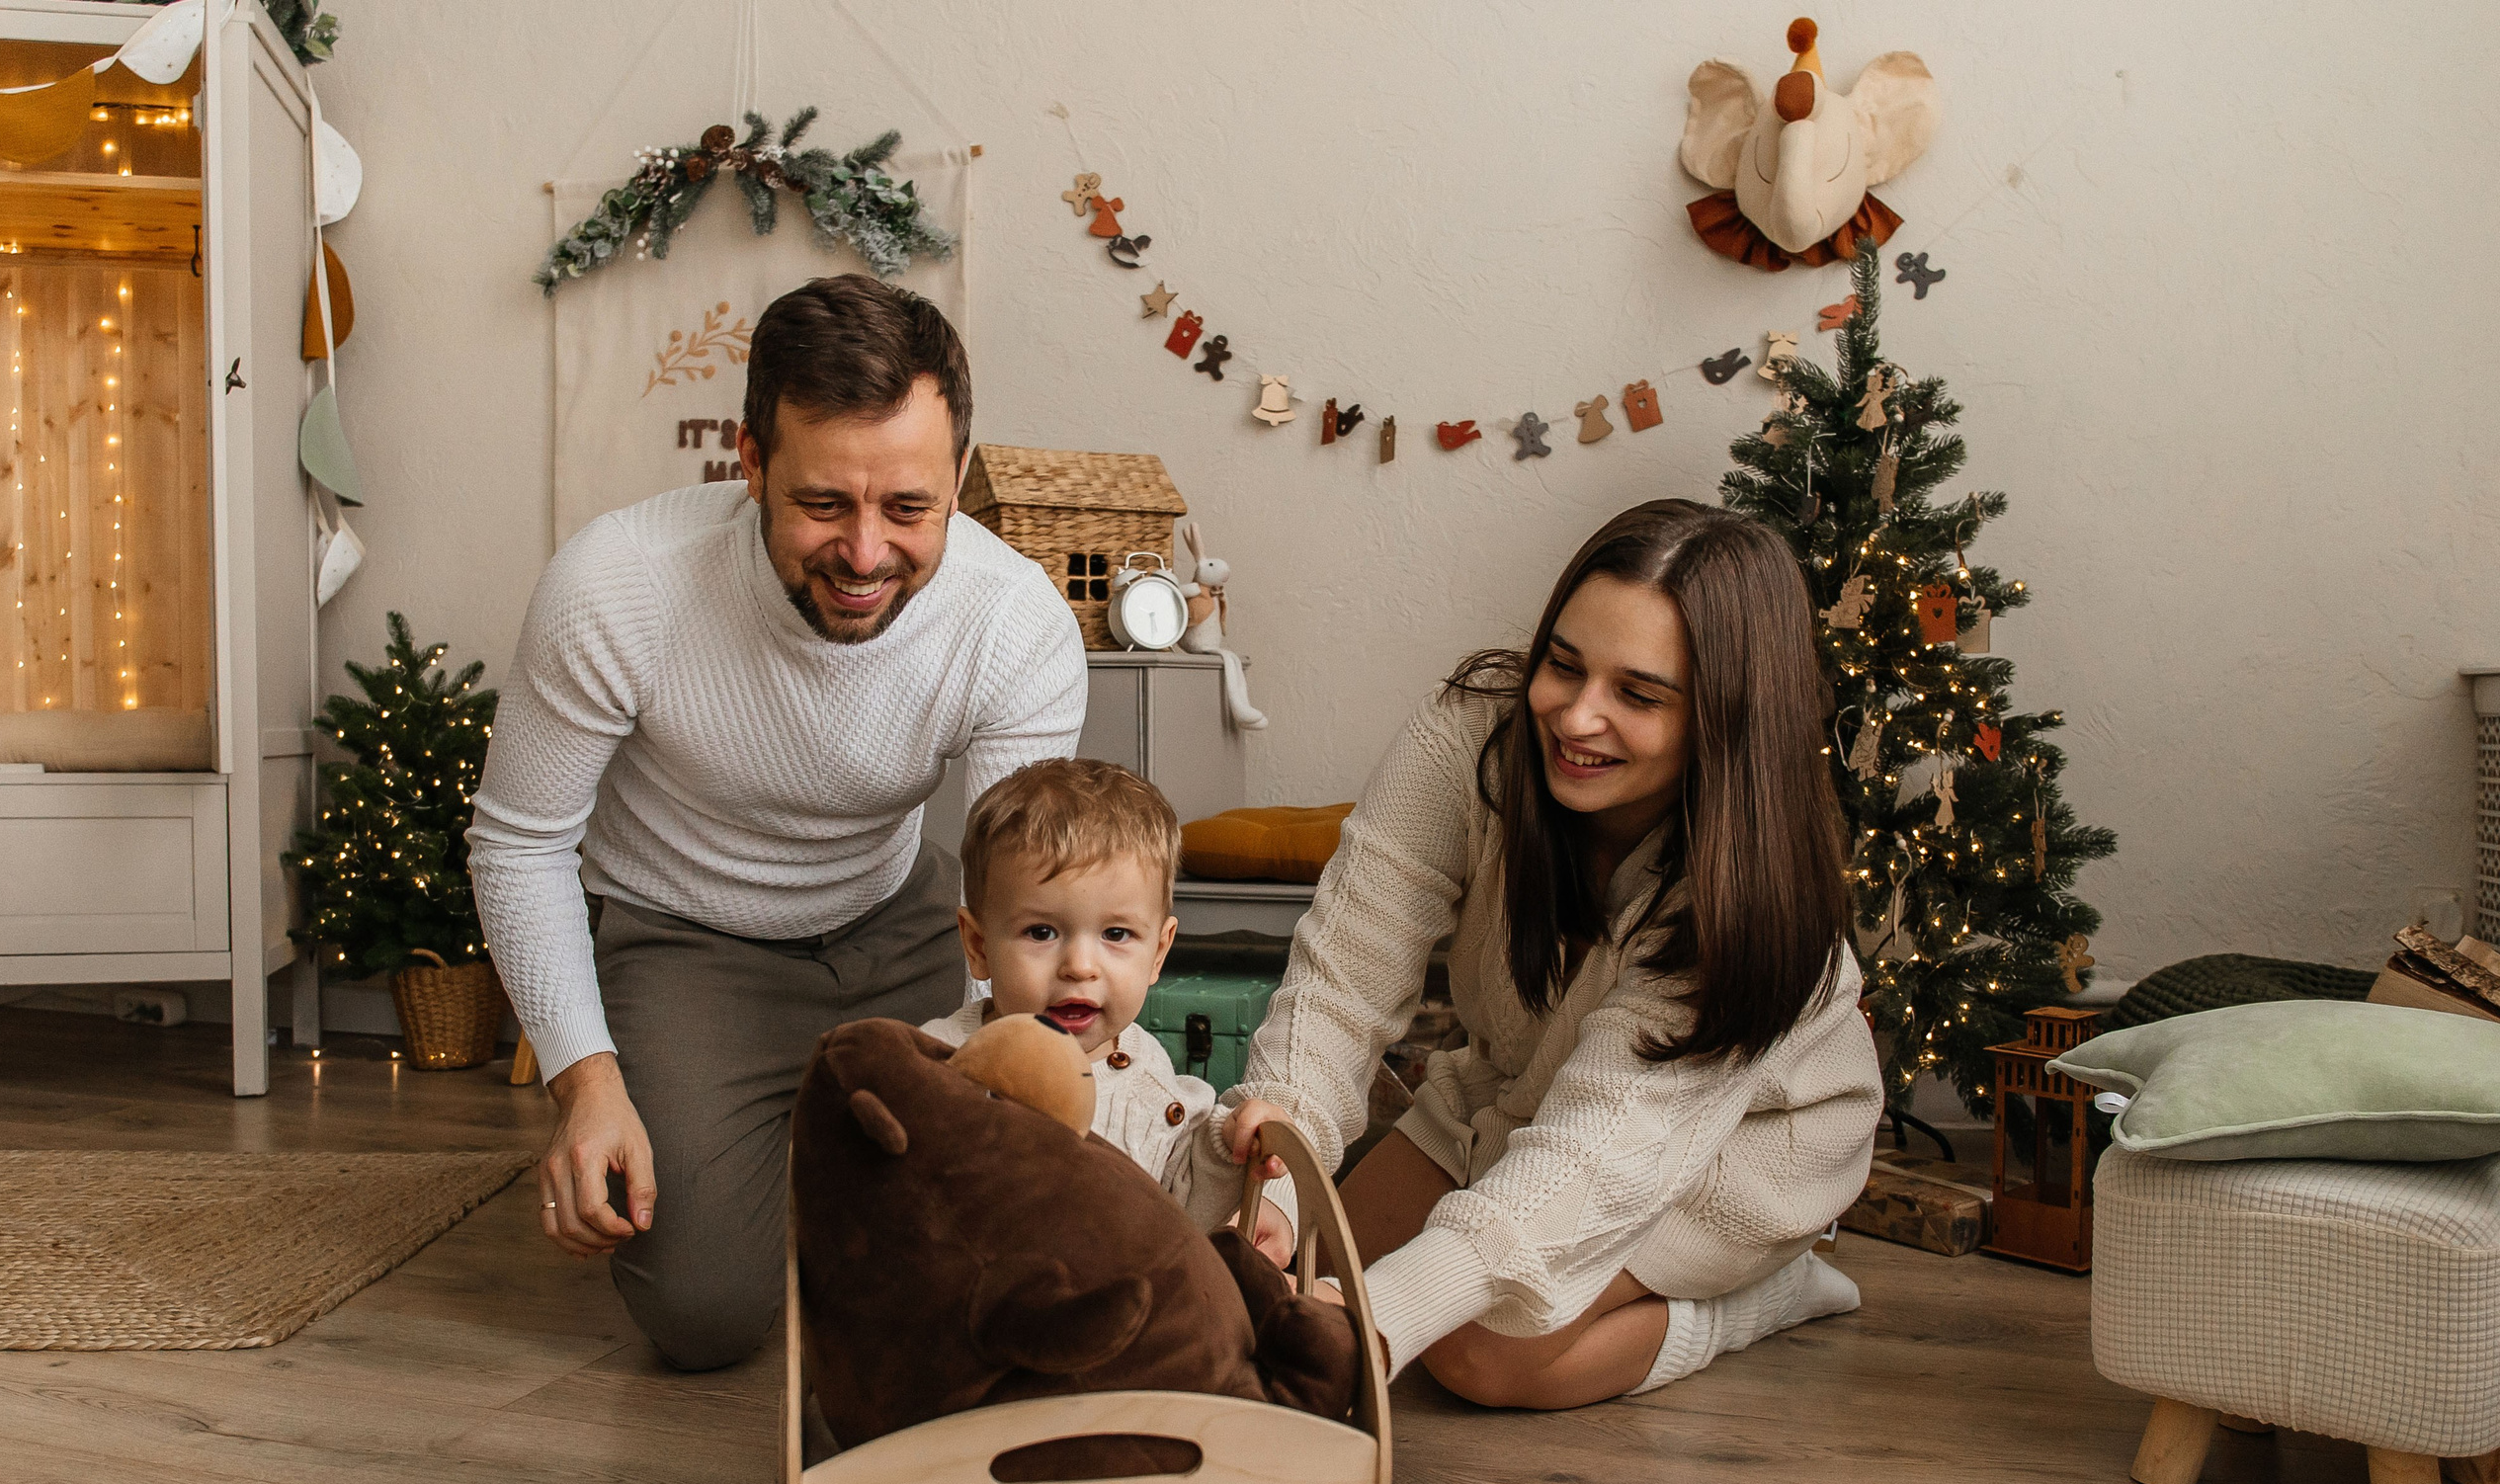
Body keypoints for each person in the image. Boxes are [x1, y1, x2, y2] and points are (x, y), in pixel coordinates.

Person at [467, 276, 1087, 1370]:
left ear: (958, 479)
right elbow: (520, 844)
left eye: (909, 509)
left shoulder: (1014, 621)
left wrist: (1034, 1070)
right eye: (823, 504)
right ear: (750, 463)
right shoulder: (617, 584)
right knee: (701, 1316)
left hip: (902, 925)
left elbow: (1025, 894)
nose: (865, 555)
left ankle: (809, 1159)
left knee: (999, 1233)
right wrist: (586, 1083)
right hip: (685, 942)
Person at [1222, 499, 1883, 1408]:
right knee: (1297, 1268)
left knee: (1478, 1353)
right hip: (1521, 1089)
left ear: (1724, 722)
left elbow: (1596, 1151)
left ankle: (1766, 1294)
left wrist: (1378, 1321)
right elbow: (1345, 974)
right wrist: (1279, 1177)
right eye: (1564, 665)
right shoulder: (1469, 737)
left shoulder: (1747, 902)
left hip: (1737, 1147)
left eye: (1638, 695)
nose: (1576, 716)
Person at [920, 759, 1298, 1263]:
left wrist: (1230, 1147)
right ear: (978, 945)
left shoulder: (1153, 1083)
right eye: (1041, 932)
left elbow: (1186, 1220)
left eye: (1116, 934)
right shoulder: (938, 1061)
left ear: (1158, 953)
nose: (1080, 967)